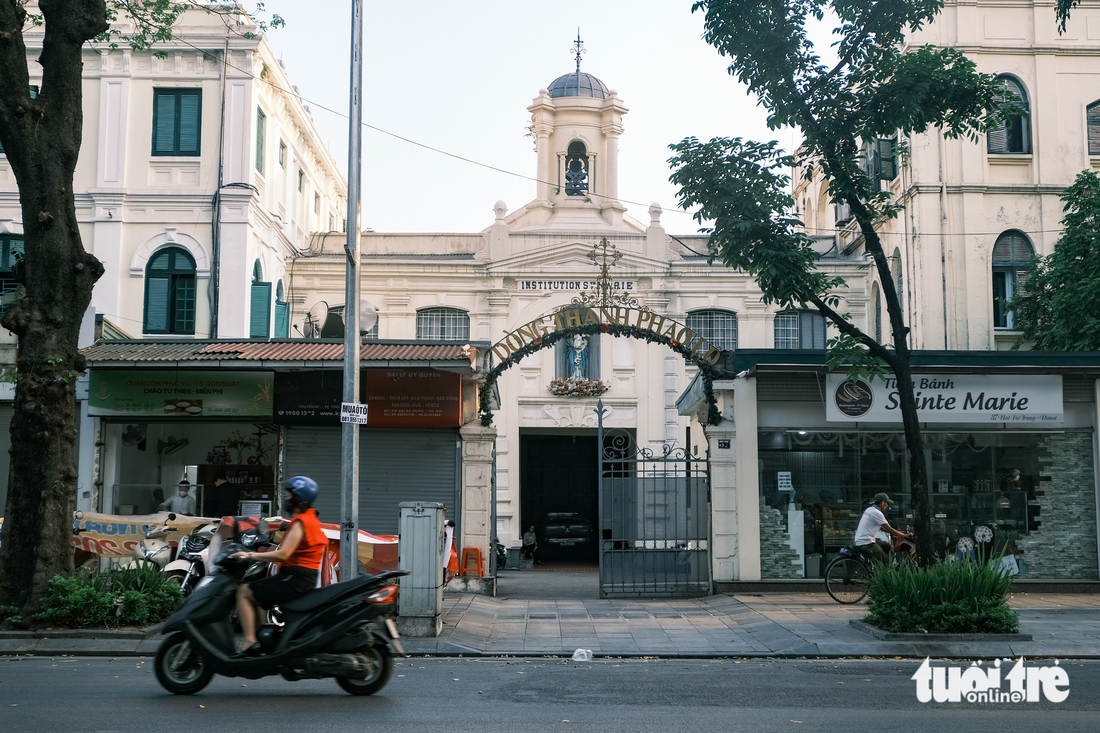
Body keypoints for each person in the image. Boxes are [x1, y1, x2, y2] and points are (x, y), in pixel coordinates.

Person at [232, 476, 326, 656]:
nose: (286, 498)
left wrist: (250, 555)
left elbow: (283, 554)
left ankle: (250, 641)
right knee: (258, 594)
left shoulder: (301, 523)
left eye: (289, 495)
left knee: (244, 591)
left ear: (299, 498)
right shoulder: (309, 519)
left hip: (294, 577)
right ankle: (263, 640)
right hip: (304, 577)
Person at [854, 493, 910, 565]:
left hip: (860, 541)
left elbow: (882, 528)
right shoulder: (877, 513)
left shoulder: (869, 509)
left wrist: (898, 532)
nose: (887, 506)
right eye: (887, 503)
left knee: (887, 546)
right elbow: (889, 528)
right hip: (867, 544)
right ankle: (882, 569)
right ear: (883, 503)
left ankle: (876, 564)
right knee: (886, 562)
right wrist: (903, 535)